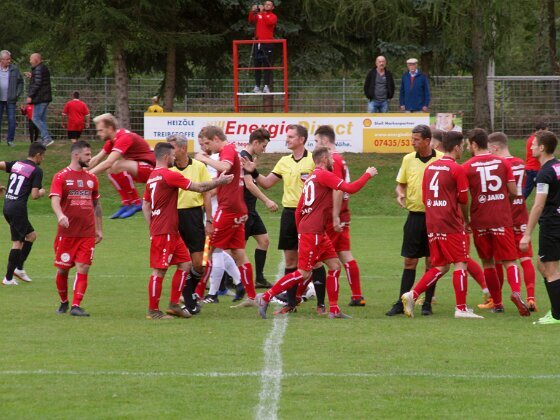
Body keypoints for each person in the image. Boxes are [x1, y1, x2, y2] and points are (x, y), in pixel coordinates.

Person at [255, 146, 378, 319]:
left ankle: (334, 310)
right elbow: (350, 188)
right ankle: (266, 297)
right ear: (324, 160)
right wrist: (368, 174)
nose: (333, 161)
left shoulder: (312, 177)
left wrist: (302, 228)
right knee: (303, 273)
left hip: (317, 231)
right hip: (312, 232)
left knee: (335, 266)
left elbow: (299, 209)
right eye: (331, 158)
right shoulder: (323, 174)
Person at [142, 142, 233, 320]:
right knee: (160, 270)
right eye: (172, 156)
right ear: (166, 157)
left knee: (185, 263)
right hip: (165, 230)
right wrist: (220, 181)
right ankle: (153, 311)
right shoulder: (169, 174)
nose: (174, 158)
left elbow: (145, 204)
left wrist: (152, 225)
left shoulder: (152, 176)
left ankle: (174, 305)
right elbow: (199, 188)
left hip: (170, 230)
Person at [401, 131, 483, 319]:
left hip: (432, 222)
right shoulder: (457, 169)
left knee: (441, 266)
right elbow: (463, 199)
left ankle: (412, 295)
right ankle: (461, 309)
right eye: (462, 147)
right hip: (450, 222)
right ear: (456, 147)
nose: (463, 150)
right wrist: (466, 221)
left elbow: (425, 197)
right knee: (461, 262)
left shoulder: (430, 168)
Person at [463, 128, 529, 316]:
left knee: (488, 262)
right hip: (501, 218)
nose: (468, 148)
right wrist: (502, 202)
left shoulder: (466, 166)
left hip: (480, 219)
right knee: (510, 260)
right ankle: (516, 292)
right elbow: (514, 191)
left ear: (474, 144)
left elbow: (464, 198)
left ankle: (498, 303)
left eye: (468, 144)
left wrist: (467, 219)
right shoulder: (503, 162)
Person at [250, 124, 315, 314]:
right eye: (287, 136)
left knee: (315, 261)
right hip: (289, 215)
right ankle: (291, 303)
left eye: (291, 136)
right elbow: (267, 183)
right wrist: (253, 172)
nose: (287, 139)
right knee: (290, 261)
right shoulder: (284, 161)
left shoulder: (312, 160)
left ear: (301, 139)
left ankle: (321, 304)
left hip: (309, 215)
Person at [195, 126, 257, 308]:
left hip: (228, 209)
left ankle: (197, 294)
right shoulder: (229, 151)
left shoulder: (227, 150)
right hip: (238, 209)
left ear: (216, 138)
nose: (207, 148)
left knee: (208, 250)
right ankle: (252, 297)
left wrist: (204, 158)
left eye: (207, 143)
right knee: (238, 253)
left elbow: (225, 166)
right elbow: (222, 184)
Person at [386, 125, 443, 317]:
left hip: (435, 217)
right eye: (412, 139)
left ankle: (427, 303)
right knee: (409, 261)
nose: (413, 142)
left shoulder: (442, 159)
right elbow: (400, 185)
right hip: (415, 217)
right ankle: (401, 302)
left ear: (427, 141)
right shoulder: (408, 159)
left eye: (416, 139)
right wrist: (400, 194)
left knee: (431, 262)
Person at [314, 125, 367, 310]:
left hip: (332, 215)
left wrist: (335, 215)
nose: (315, 145)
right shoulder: (340, 158)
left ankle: (297, 294)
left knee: (315, 256)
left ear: (325, 141)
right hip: (341, 212)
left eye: (316, 141)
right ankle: (357, 296)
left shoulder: (333, 159)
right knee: (344, 253)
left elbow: (337, 188)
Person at [49, 141, 102, 316]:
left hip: (87, 233)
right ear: (76, 155)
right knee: (62, 269)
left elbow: (96, 204)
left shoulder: (92, 178)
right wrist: (60, 215)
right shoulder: (61, 176)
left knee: (83, 266)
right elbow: (55, 199)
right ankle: (64, 301)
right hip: (67, 233)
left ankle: (76, 306)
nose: (90, 158)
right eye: (87, 155)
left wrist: (99, 229)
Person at [488, 132, 537, 311]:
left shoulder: (499, 164)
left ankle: (497, 300)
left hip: (504, 216)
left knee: (500, 260)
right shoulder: (520, 163)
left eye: (490, 149)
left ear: (495, 147)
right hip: (521, 214)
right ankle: (531, 298)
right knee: (525, 257)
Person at [167, 133, 213, 314]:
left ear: (183, 148)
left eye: (172, 148)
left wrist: (209, 220)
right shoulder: (168, 169)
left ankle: (188, 294)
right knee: (179, 262)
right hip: (173, 217)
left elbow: (207, 193)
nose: (170, 151)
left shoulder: (199, 167)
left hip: (194, 216)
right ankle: (186, 300)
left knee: (199, 264)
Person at [520, 131, 560, 325]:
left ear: (542, 148)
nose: (531, 147)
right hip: (556, 223)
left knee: (550, 269)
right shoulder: (558, 166)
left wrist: (527, 234)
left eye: (534, 144)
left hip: (552, 226)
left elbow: (538, 205)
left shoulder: (544, 173)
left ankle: (557, 315)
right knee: (542, 264)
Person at [89, 113, 155, 219]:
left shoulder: (124, 137)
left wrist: (88, 175)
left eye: (100, 130)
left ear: (110, 128)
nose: (98, 133)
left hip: (152, 169)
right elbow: (96, 159)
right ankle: (127, 203)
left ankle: (137, 202)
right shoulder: (112, 140)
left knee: (116, 165)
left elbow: (108, 162)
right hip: (139, 168)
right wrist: (78, 171)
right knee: (110, 170)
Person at [1, 142, 46, 285]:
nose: (43, 159)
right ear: (38, 155)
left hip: (7, 206)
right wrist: (42, 192)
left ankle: (19, 268)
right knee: (18, 243)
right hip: (18, 209)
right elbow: (35, 195)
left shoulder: (17, 164)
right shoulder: (36, 171)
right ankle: (8, 278)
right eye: (43, 156)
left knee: (31, 236)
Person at [241, 128, 278, 289]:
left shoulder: (249, 158)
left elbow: (258, 181)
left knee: (264, 241)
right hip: (243, 210)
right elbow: (249, 184)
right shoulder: (244, 157)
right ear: (255, 142)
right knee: (237, 250)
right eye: (263, 146)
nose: (264, 150)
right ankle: (224, 281)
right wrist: (267, 201)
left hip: (251, 210)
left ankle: (260, 279)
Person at [248, 1, 277, 94]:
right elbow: (251, 20)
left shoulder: (273, 16)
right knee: (257, 65)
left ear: (272, 7)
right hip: (258, 43)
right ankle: (257, 86)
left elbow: (269, 23)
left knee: (267, 65)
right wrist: (252, 11)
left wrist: (262, 13)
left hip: (267, 43)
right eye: (265, 4)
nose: (266, 5)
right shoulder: (259, 15)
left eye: (269, 5)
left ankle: (266, 86)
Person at [25, 53, 53, 147]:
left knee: (35, 118)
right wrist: (32, 76)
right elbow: (40, 80)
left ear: (36, 59)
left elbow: (37, 84)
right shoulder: (41, 68)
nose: (30, 61)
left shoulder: (38, 69)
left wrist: (30, 96)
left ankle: (47, 138)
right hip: (44, 97)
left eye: (31, 59)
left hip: (41, 98)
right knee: (42, 119)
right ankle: (45, 138)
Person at [0, 50, 24, 147]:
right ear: (1, 60)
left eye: (9, 59)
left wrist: (16, 94)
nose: (9, 61)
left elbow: (21, 82)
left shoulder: (14, 69)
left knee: (11, 120)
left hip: (11, 100)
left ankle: (10, 140)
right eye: (7, 59)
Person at [524, 120, 548, 199]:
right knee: (543, 191)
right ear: (541, 130)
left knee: (542, 191)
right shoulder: (536, 140)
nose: (547, 133)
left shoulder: (532, 138)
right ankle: (517, 203)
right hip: (534, 169)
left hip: (532, 168)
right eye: (546, 131)